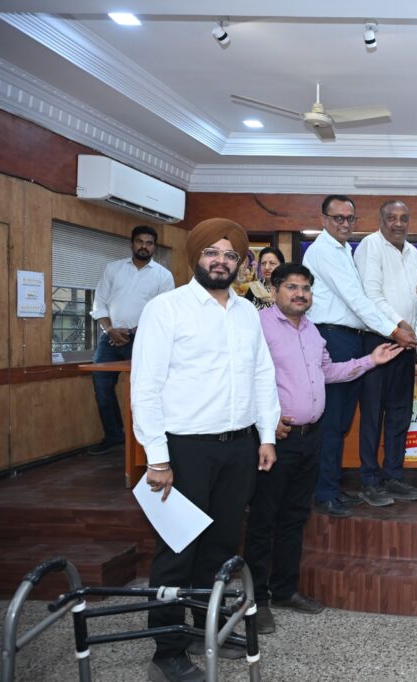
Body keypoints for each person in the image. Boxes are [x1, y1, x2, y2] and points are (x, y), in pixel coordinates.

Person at [131, 218, 281, 681]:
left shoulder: (247, 313)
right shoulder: (166, 308)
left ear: (240, 264)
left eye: (230, 255)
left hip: (239, 449)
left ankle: (202, 629)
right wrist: (157, 457)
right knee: (177, 551)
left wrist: (267, 435)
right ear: (195, 257)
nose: (221, 261)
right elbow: (145, 386)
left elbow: (262, 375)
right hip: (183, 451)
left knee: (219, 547)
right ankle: (167, 652)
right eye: (211, 253)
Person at [246, 262, 402, 634]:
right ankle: (256, 601)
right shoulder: (257, 326)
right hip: (275, 440)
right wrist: (263, 420)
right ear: (274, 289)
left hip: (309, 438)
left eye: (305, 289)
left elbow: (328, 372)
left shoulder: (313, 330)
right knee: (263, 520)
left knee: (294, 516)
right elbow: (243, 376)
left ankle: (284, 590)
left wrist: (371, 360)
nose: (300, 294)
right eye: (292, 287)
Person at [303, 194, 417, 516]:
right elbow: (359, 298)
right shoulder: (324, 251)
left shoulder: (343, 250)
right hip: (334, 338)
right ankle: (326, 492)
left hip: (353, 340)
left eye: (349, 218)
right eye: (337, 218)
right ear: (324, 219)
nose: (344, 223)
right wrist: (395, 330)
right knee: (333, 419)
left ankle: (333, 488)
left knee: (341, 421)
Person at [353, 200, 417, 505]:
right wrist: (399, 326)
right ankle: (370, 481)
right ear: (381, 220)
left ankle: (393, 476)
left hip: (406, 345)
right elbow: (371, 296)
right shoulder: (370, 245)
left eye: (404, 218)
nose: (398, 223)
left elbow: (411, 300)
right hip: (378, 340)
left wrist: (416, 329)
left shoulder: (412, 252)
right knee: (373, 414)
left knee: (400, 414)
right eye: (392, 218)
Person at [88, 225, 174, 455]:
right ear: (132, 243)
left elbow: (163, 312)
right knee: (101, 386)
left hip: (144, 340)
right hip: (109, 339)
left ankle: (146, 443)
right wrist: (110, 330)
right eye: (140, 241)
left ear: (154, 247)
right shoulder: (113, 269)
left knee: (145, 391)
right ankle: (114, 436)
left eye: (149, 243)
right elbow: (99, 303)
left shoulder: (163, 276)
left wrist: (137, 330)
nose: (144, 246)